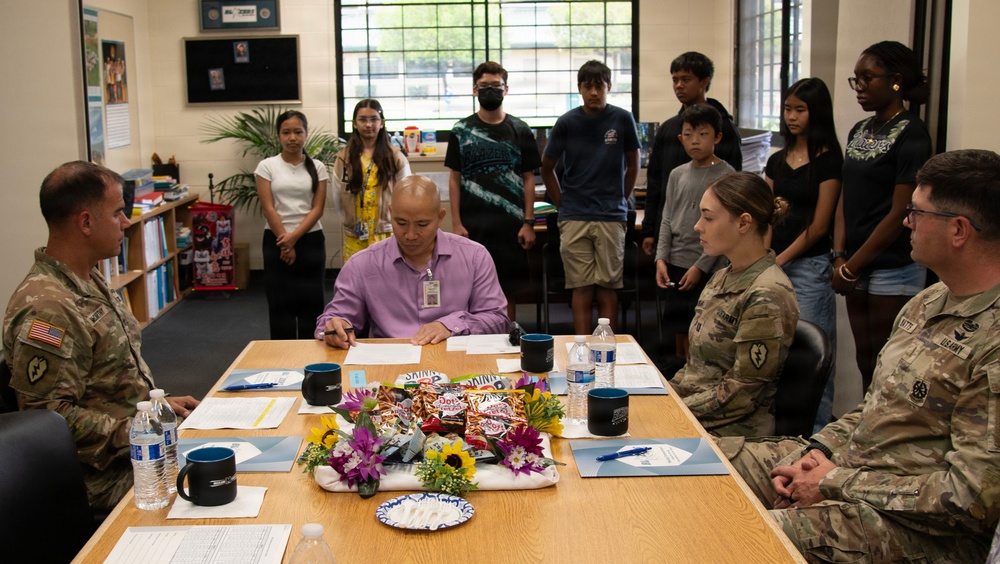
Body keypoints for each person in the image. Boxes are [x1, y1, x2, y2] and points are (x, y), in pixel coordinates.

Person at [721, 149, 1000, 562]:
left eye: (916, 212)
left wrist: (834, 482)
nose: (906, 221)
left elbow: (971, 497)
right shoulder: (927, 302)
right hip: (854, 470)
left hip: (920, 530)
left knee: (741, 542)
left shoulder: (993, 341)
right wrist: (816, 453)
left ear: (958, 230)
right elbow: (875, 407)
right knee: (716, 463)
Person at [2, 161, 200, 513]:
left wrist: (157, 407)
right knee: (216, 483)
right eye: (117, 213)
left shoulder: (86, 279)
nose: (126, 223)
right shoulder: (48, 307)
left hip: (135, 451)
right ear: (86, 222)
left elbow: (107, 380)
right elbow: (47, 419)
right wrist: (139, 430)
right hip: (101, 478)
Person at [832, 40, 932, 394]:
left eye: (867, 78)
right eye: (855, 79)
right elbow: (846, 195)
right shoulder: (859, 130)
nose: (859, 87)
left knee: (887, 363)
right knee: (865, 359)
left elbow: (901, 210)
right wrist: (839, 255)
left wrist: (852, 266)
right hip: (853, 263)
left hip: (893, 266)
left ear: (896, 80)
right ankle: (862, 423)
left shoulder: (913, 133)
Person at [670, 172, 798, 437]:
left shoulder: (767, 293)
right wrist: (663, 394)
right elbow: (695, 369)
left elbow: (743, 393)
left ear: (743, 223)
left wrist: (673, 409)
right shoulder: (722, 276)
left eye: (708, 218)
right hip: (694, 414)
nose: (697, 226)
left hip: (731, 431)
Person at [316, 175, 508, 347]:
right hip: (389, 363)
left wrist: (450, 325)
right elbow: (334, 318)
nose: (410, 235)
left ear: (440, 217)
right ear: (390, 213)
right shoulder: (363, 264)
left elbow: (497, 319)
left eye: (422, 224)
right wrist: (335, 326)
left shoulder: (474, 256)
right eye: (401, 223)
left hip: (454, 359)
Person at [763, 77, 843, 432]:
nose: (791, 117)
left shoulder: (829, 161)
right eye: (787, 109)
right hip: (774, 263)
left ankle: (818, 436)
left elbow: (819, 226)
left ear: (817, 112)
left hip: (810, 267)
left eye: (800, 110)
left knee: (814, 355)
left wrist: (779, 260)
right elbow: (766, 215)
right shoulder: (777, 160)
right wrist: (766, 257)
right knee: (776, 353)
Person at [540, 59, 640, 334]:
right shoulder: (567, 122)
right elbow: (546, 168)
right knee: (581, 286)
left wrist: (622, 198)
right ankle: (581, 346)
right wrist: (562, 203)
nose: (594, 92)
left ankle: (607, 346)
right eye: (588, 87)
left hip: (611, 216)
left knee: (608, 286)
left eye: (600, 86)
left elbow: (634, 164)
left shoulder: (622, 119)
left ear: (609, 87)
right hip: (575, 216)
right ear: (579, 89)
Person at [446, 61, 541, 321]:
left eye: (496, 86)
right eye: (484, 86)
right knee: (469, 291)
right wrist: (456, 223)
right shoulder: (460, 131)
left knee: (507, 292)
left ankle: (506, 338)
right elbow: (454, 178)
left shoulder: (520, 130)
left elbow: (529, 178)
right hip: (472, 227)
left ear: (506, 89)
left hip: (511, 228)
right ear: (474, 90)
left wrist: (528, 223)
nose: (490, 91)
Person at [654, 104, 735, 364]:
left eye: (702, 134)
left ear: (717, 137)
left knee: (701, 332)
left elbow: (725, 231)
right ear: (680, 138)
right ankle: (680, 379)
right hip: (676, 263)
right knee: (677, 333)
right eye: (688, 135)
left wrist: (700, 267)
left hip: (708, 267)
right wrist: (660, 258)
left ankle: (697, 377)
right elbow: (667, 218)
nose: (695, 141)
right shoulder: (677, 174)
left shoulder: (726, 175)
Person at [642, 51, 742, 258]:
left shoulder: (724, 128)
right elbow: (655, 183)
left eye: (686, 79)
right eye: (675, 80)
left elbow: (734, 186)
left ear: (704, 81)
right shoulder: (668, 129)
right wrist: (649, 228)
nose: (679, 85)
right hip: (671, 234)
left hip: (712, 237)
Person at [255, 110, 329, 340]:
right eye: (286, 132)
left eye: (298, 132)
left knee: (311, 303)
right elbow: (268, 208)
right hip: (276, 240)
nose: (292, 138)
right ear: (278, 135)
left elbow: (317, 208)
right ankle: (282, 356)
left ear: (306, 134)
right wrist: (285, 242)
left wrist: (293, 238)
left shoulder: (317, 167)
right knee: (280, 304)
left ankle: (311, 355)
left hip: (310, 241)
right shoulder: (267, 166)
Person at [332, 99, 411, 262]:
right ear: (354, 124)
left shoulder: (395, 157)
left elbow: (407, 195)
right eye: (363, 119)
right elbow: (337, 197)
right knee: (357, 275)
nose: (368, 124)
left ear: (382, 123)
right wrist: (349, 220)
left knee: (387, 274)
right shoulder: (343, 158)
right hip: (355, 234)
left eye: (374, 119)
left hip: (386, 232)